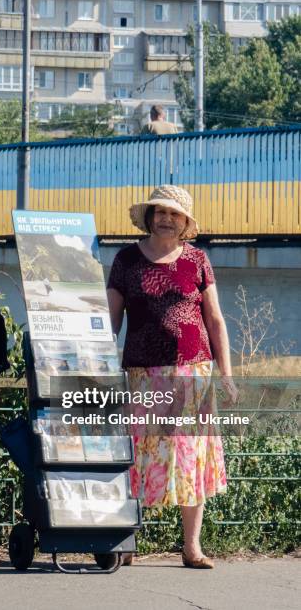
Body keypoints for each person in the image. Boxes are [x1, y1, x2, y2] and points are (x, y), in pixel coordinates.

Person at [107, 185, 237, 569]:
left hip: (192, 374)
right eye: (160, 212)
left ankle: (192, 547)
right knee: (137, 457)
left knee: (191, 458)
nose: (166, 219)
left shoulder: (198, 260)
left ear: (185, 223)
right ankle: (125, 541)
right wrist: (96, 366)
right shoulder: (126, 260)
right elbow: (111, 320)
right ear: (149, 217)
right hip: (143, 375)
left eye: (174, 214)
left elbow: (214, 319)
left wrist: (225, 372)